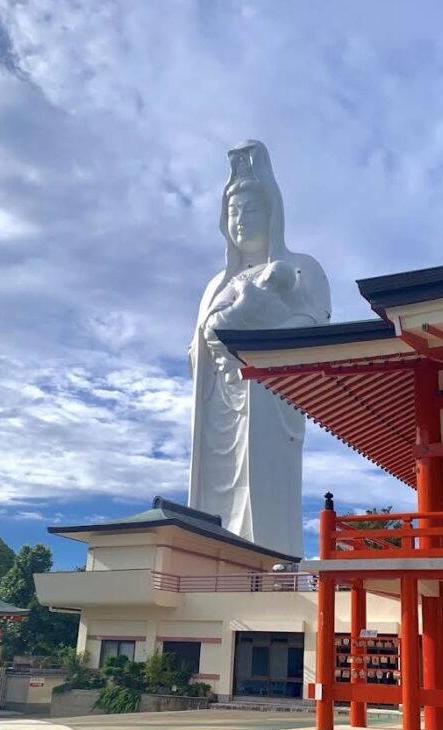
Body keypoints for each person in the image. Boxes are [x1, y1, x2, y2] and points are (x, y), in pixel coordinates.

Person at [188, 140, 330, 557]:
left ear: (273, 215)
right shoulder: (215, 284)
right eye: (233, 212)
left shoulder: (302, 267)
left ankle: (270, 559)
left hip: (267, 398)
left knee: (264, 489)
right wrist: (213, 337)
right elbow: (196, 348)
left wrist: (262, 327)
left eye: (252, 210)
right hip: (217, 401)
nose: (241, 220)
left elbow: (314, 328)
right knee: (211, 494)